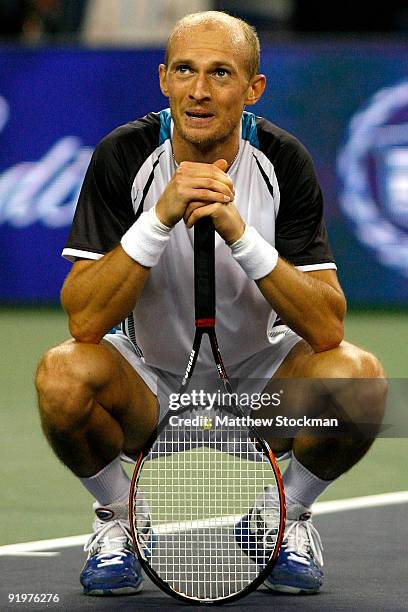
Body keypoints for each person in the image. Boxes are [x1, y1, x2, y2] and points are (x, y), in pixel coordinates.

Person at [35, 10, 386, 597]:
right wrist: (160, 217)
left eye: (221, 73)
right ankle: (119, 520)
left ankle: (284, 516)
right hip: (149, 385)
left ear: (253, 89)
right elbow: (85, 318)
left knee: (363, 381)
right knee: (61, 375)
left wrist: (241, 235)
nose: (199, 91)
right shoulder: (123, 156)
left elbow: (327, 325)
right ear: (163, 79)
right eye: (185, 71)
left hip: (259, 387)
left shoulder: (284, 160)